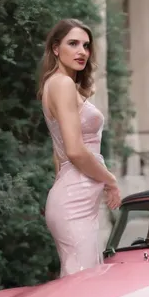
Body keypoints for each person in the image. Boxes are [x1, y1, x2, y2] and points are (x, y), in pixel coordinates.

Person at [37, 18, 121, 277]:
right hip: (74, 201)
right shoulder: (61, 84)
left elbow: (58, 155)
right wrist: (110, 180)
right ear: (55, 48)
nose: (82, 51)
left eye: (86, 45)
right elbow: (73, 150)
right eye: (72, 43)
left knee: (81, 283)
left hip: (75, 197)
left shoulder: (56, 85)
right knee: (83, 287)